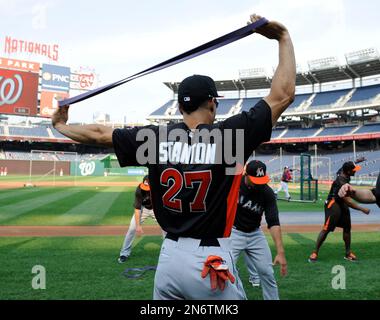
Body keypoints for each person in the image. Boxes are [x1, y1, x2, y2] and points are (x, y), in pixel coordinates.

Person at [52, 14, 296, 300]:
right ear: (213, 103)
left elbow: (99, 134)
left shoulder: (154, 139)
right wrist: (283, 37)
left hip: (168, 260)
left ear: (179, 107)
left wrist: (60, 126)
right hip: (210, 259)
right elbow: (283, 94)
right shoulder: (231, 136)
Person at [230, 160, 287, 300]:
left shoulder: (267, 192)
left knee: (267, 273)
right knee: (227, 272)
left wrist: (280, 252)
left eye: (261, 179)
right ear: (246, 175)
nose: (259, 182)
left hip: (255, 234)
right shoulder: (234, 184)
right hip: (233, 232)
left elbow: (273, 221)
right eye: (255, 179)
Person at [308, 161, 370, 263]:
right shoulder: (341, 182)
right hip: (333, 203)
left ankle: (348, 253)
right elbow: (348, 202)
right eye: (354, 170)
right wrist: (362, 209)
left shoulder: (343, 171)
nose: (355, 172)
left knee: (347, 228)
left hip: (341, 202)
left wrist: (358, 160)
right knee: (326, 229)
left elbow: (344, 167)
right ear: (349, 171)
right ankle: (315, 252)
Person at [118, 175, 160, 263]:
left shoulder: (158, 189)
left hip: (156, 209)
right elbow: (137, 209)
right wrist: (138, 226)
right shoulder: (139, 190)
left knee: (167, 230)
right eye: (145, 185)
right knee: (132, 229)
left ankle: (170, 254)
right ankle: (124, 253)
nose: (145, 189)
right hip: (143, 209)